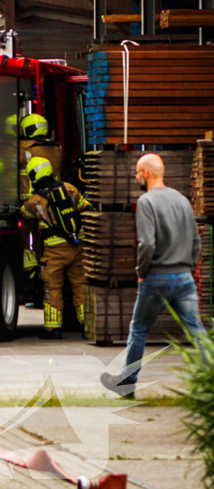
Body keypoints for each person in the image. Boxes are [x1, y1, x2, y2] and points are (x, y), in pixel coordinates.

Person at [101, 153, 206, 400]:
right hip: (183, 278)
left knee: (139, 330)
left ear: (146, 173)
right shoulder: (182, 200)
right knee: (197, 332)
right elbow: (196, 241)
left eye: (138, 172)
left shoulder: (147, 202)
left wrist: (141, 272)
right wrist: (188, 267)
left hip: (156, 278)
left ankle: (127, 383)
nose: (136, 177)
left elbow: (146, 243)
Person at [19, 157, 91, 340]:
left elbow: (23, 215)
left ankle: (53, 329)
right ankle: (87, 326)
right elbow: (87, 209)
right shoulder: (70, 188)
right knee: (81, 286)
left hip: (54, 251)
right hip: (78, 246)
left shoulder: (35, 201)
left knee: (53, 288)